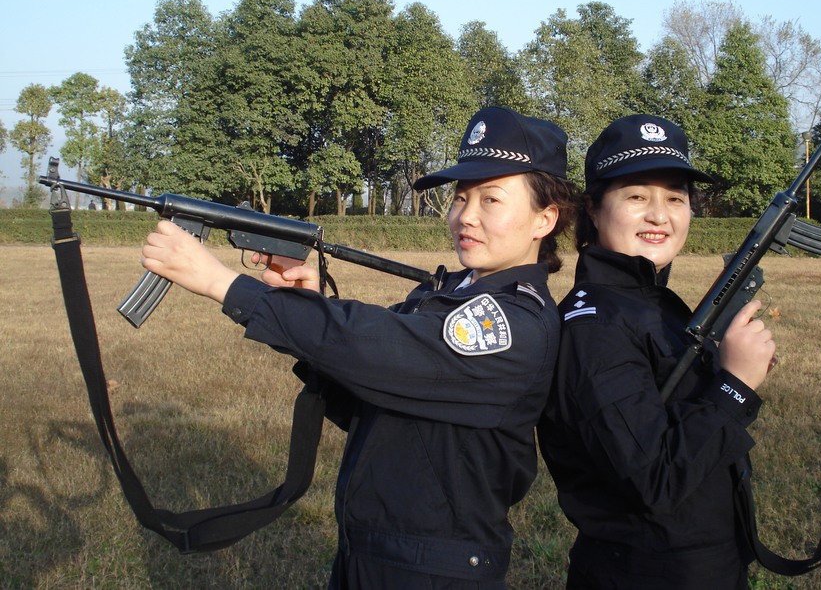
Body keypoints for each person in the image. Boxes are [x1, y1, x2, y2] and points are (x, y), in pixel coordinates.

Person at [141, 106, 576, 589]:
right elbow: (368, 391)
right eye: (460, 198)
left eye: (491, 199)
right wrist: (308, 307)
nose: (465, 216)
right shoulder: (449, 294)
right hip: (372, 551)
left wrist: (222, 283)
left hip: (433, 571)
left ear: (544, 219)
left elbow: (377, 348)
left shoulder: (512, 323)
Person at [537, 114, 777, 590]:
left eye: (675, 198)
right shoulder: (595, 326)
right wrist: (734, 385)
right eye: (636, 196)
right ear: (593, 209)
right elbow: (654, 479)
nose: (659, 215)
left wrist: (723, 366)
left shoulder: (649, 302)